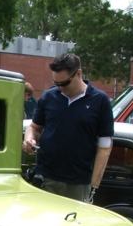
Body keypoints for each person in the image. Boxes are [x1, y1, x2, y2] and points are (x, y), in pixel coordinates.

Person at [22, 53, 113, 203]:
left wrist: (93, 186)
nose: (60, 88)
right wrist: (29, 138)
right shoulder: (48, 97)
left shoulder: (100, 101)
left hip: (78, 184)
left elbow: (105, 146)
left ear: (78, 74)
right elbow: (34, 127)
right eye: (56, 83)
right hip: (46, 178)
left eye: (64, 83)